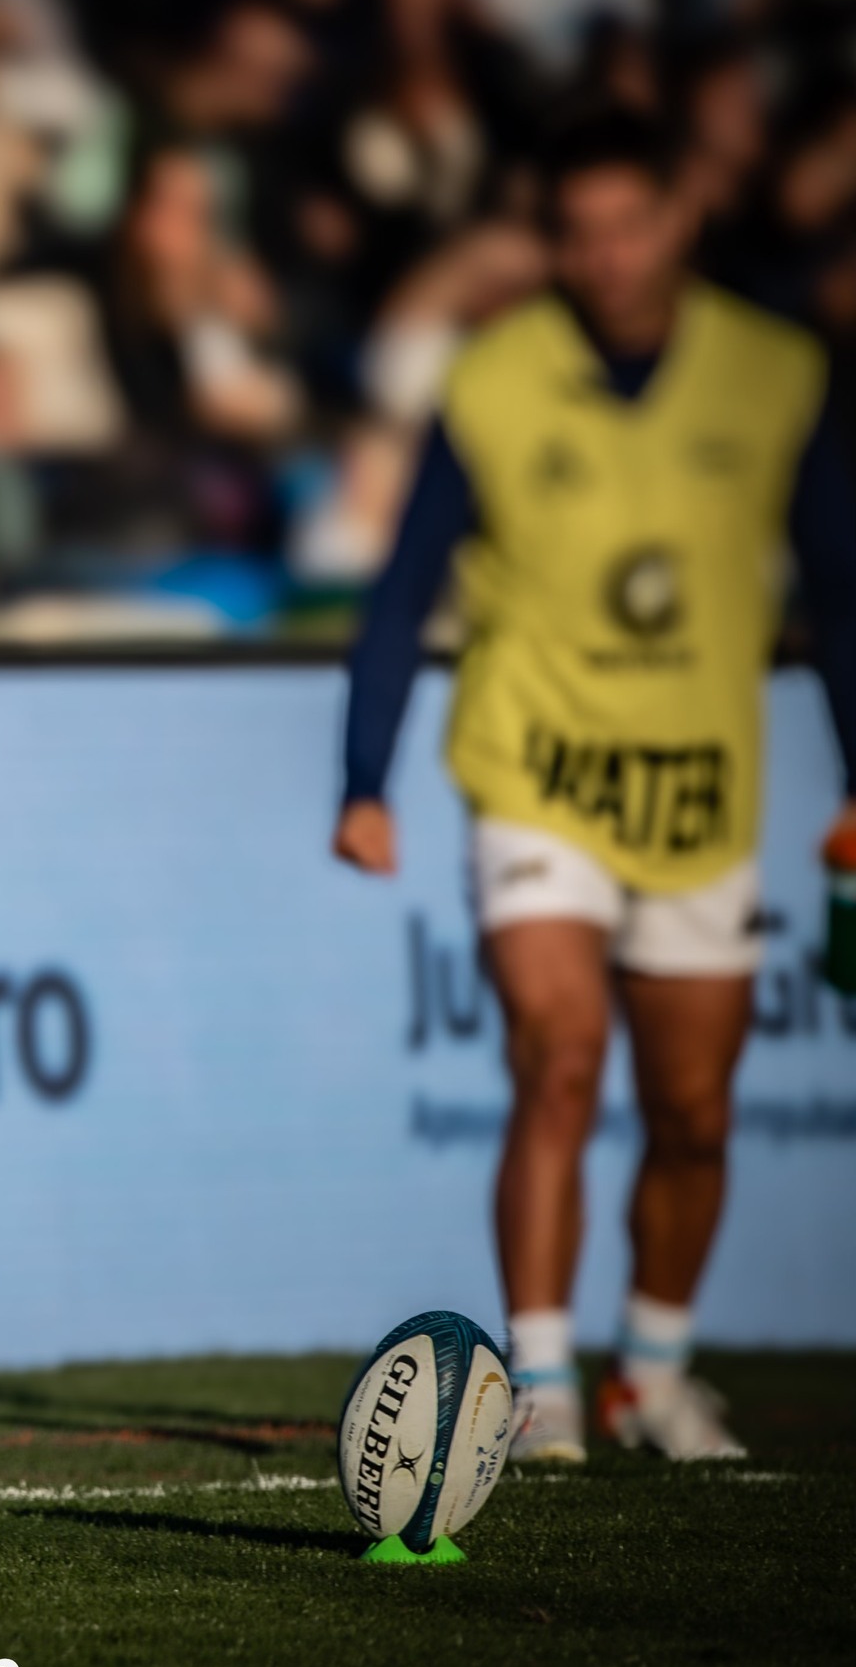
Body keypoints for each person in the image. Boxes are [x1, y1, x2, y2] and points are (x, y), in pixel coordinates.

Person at [333, 110, 856, 1464]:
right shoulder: (496, 377)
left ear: (683, 214)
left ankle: (659, 1368)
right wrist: (365, 776)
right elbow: (403, 589)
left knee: (693, 1110)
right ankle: (548, 1380)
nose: (606, 255)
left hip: (700, 796)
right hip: (535, 771)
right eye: (579, 232)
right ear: (550, 237)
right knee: (557, 1059)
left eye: (630, 224)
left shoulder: (777, 374)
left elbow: (844, 598)